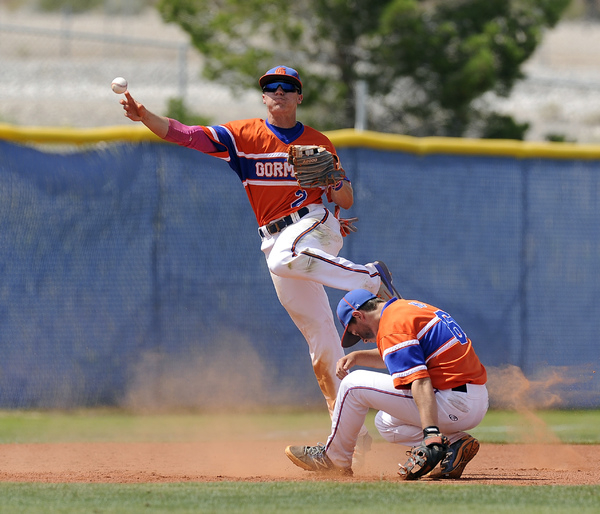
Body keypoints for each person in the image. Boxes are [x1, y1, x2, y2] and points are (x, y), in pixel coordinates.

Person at [118, 66, 400, 444]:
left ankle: (370, 278)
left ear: (300, 97)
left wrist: (331, 176)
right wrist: (145, 116)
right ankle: (348, 436)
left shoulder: (318, 142)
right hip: (275, 238)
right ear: (264, 97)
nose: (279, 91)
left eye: (288, 87)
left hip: (315, 224)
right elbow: (187, 135)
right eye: (271, 87)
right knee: (321, 342)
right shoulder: (241, 136)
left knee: (283, 258)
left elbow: (346, 200)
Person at [285, 289, 489, 479]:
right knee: (386, 423)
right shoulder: (406, 309)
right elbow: (400, 354)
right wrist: (357, 357)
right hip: (471, 398)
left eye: (353, 331)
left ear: (358, 315)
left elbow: (419, 380)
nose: (357, 337)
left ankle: (334, 459)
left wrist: (431, 433)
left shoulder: (393, 325)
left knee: (353, 384)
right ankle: (455, 443)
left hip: (452, 400)